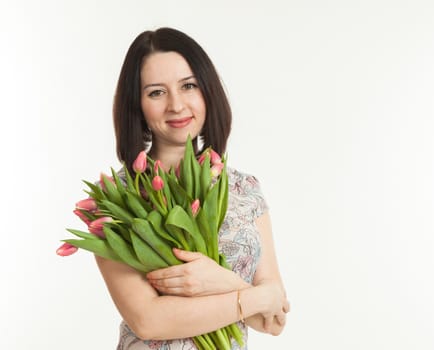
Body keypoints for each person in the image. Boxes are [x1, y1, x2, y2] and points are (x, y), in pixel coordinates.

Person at [95, 27, 290, 350]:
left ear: (207, 91)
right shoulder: (118, 199)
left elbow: (273, 319)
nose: (176, 105)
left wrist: (219, 280)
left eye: (188, 86)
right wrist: (253, 299)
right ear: (137, 105)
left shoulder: (244, 189)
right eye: (156, 92)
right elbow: (149, 320)